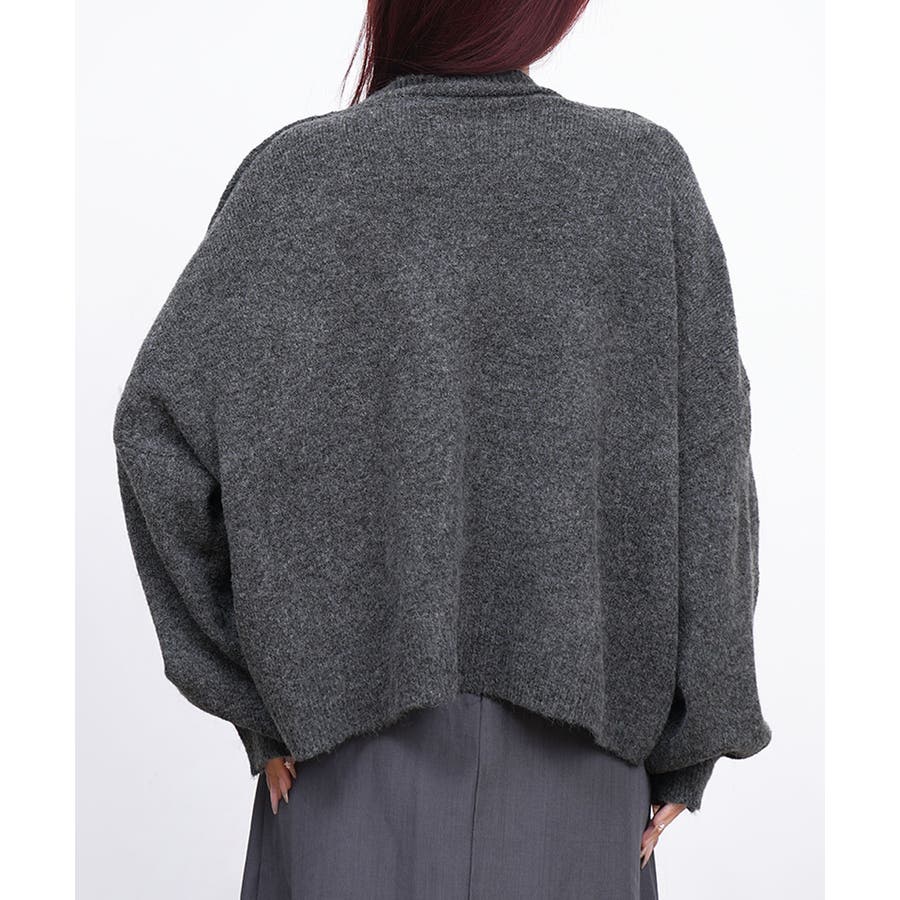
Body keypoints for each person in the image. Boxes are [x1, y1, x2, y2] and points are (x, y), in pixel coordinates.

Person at [112, 1, 772, 897]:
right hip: (584, 763)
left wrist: (260, 696)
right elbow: (713, 469)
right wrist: (695, 742)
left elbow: (157, 434)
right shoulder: (641, 176)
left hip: (339, 757)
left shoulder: (299, 176)